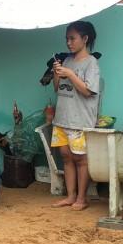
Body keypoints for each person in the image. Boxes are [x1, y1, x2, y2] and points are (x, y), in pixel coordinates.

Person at [50, 20, 101, 211]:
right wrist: (57, 73)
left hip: (79, 120)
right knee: (66, 157)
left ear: (85, 39)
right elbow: (58, 88)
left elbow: (88, 91)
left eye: (72, 38)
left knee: (81, 159)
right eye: (67, 39)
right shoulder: (68, 60)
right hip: (62, 117)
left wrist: (70, 74)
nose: (69, 43)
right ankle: (70, 196)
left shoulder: (91, 63)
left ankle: (82, 198)